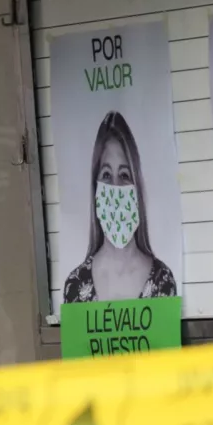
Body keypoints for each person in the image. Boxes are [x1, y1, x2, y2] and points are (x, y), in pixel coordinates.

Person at [63, 111, 176, 303]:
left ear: (137, 188)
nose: (115, 186)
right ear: (95, 188)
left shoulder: (162, 280)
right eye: (106, 175)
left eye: (124, 175)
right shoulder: (75, 285)